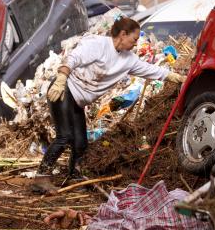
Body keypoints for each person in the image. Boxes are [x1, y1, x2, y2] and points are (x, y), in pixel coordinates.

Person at [35, 14, 185, 186]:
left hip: (78, 101)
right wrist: (61, 77)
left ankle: (74, 175)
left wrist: (174, 76)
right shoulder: (98, 44)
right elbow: (73, 57)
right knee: (65, 136)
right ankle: (41, 178)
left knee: (81, 142)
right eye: (134, 39)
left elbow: (149, 70)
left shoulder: (128, 59)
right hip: (64, 89)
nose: (136, 43)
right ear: (123, 34)